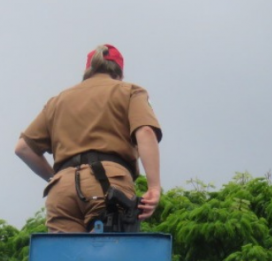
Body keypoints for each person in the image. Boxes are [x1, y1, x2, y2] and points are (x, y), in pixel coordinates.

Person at [15, 44, 162, 233]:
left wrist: (56, 178)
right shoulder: (130, 91)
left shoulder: (58, 101)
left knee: (63, 252)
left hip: (62, 190)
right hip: (107, 184)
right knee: (108, 249)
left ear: (88, 70)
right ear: (119, 73)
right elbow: (145, 132)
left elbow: (23, 148)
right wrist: (154, 187)